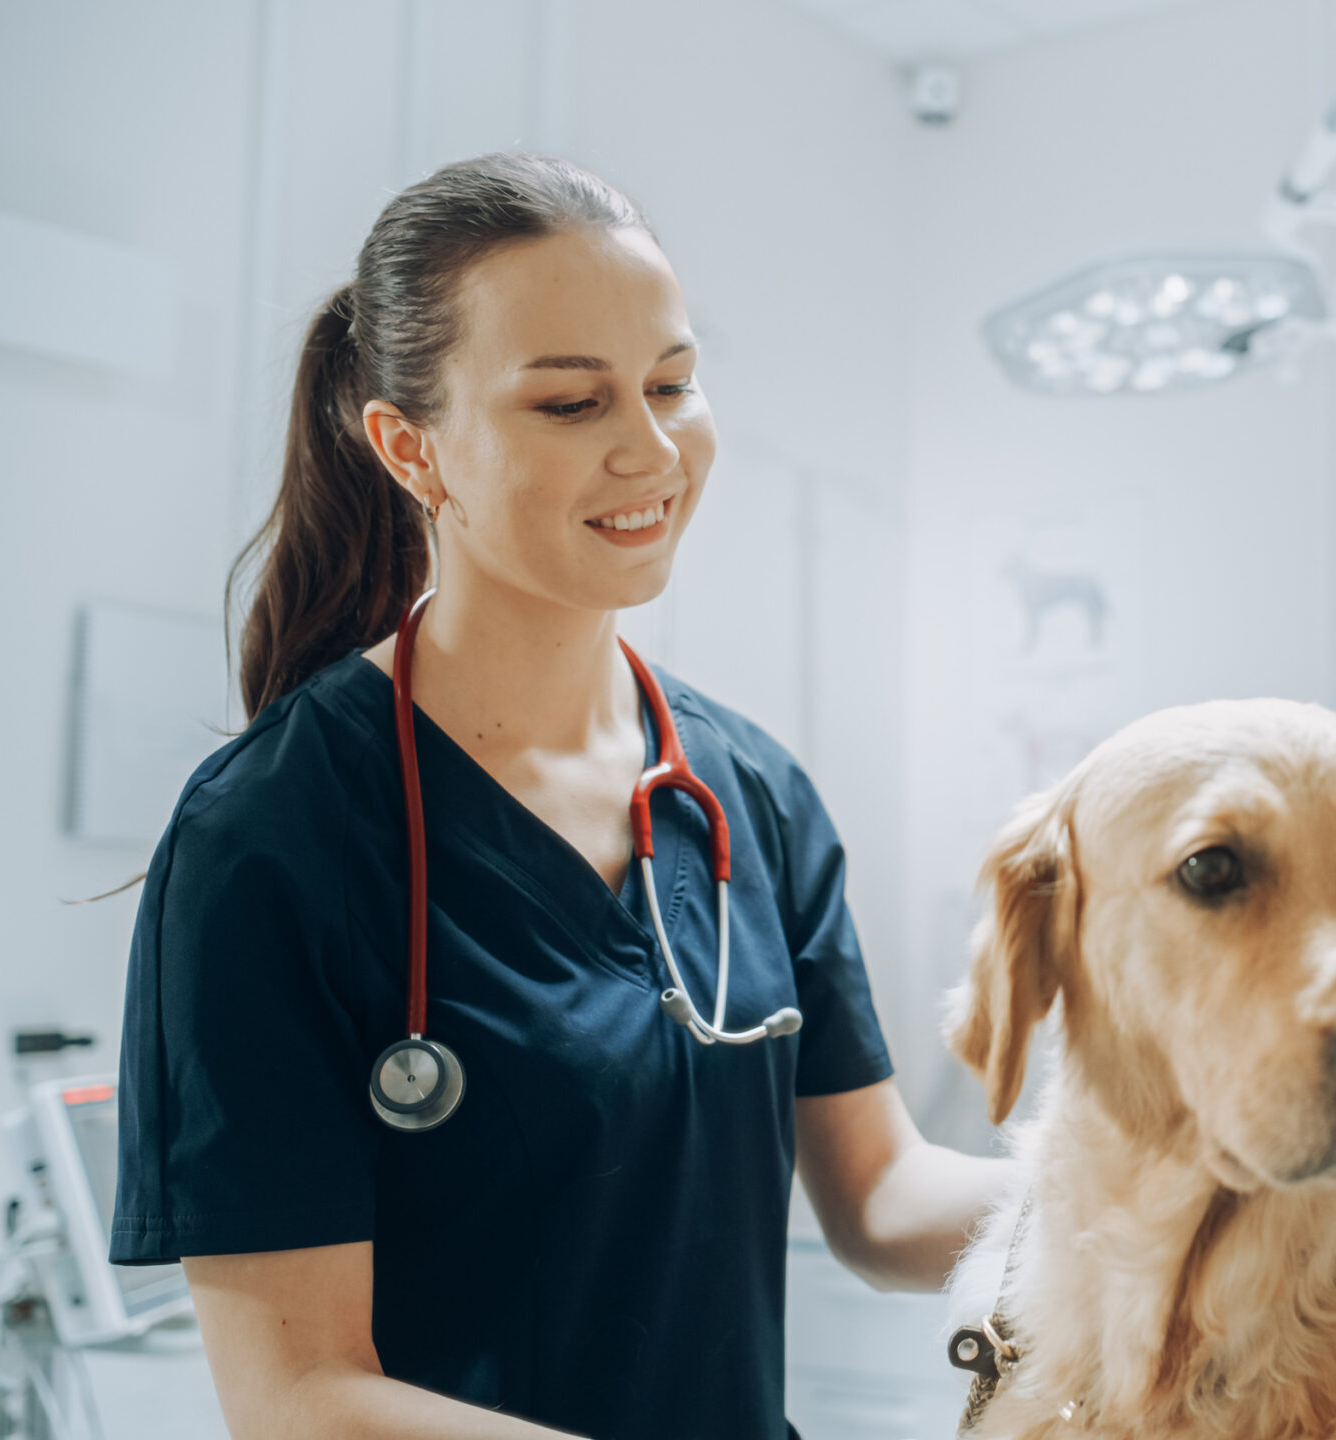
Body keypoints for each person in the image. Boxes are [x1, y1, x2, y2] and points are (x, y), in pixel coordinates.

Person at [110, 153, 1009, 1440]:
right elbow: (300, 1397)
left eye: (672, 386)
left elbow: (879, 1200)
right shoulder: (270, 839)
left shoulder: (748, 792)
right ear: (410, 448)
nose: (650, 451)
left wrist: (1216, 1203)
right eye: (571, 405)